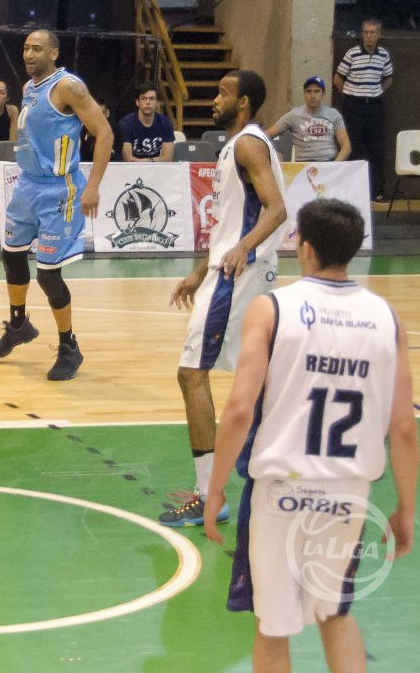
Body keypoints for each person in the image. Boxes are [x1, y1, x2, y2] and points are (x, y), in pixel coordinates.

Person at [204, 198, 419, 673]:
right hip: (348, 492)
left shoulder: (272, 308)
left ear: (305, 247)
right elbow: (403, 426)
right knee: (335, 613)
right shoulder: (387, 318)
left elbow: (239, 410)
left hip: (280, 491)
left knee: (273, 626)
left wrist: (215, 487)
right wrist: (406, 506)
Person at [160, 70, 286, 527]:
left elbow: (277, 208)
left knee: (192, 373)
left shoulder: (249, 143)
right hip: (230, 271)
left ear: (244, 102)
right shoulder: (238, 145)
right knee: (257, 377)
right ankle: (275, 471)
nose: (215, 99)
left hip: (238, 275)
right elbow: (229, 225)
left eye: (223, 92)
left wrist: (242, 249)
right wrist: (200, 272)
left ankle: (210, 495)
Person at [0, 29, 113, 381]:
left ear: (53, 53)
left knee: (48, 274)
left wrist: (93, 186)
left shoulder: (68, 87)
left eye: (37, 49)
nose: (28, 54)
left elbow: (104, 133)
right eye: (26, 48)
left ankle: (69, 346)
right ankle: (18, 325)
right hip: (28, 183)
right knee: (11, 255)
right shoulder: (29, 87)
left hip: (60, 188)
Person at [333, 19, 393, 201]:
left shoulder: (383, 55)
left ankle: (376, 191)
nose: (368, 36)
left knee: (376, 149)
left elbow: (388, 78)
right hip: (353, 106)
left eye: (372, 32)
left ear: (379, 35)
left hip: (374, 106)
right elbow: (338, 78)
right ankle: (351, 190)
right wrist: (349, 96)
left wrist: (377, 92)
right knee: (353, 147)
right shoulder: (352, 53)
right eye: (365, 32)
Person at [264, 76, 351, 163]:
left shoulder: (334, 114)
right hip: (303, 165)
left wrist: (335, 165)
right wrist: (276, 153)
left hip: (329, 162)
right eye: (309, 91)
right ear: (304, 94)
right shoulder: (293, 115)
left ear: (323, 94)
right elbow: (265, 135)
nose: (312, 96)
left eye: (317, 91)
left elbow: (346, 146)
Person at [119, 84, 175, 162]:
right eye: (143, 98)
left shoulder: (165, 123)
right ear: (137, 102)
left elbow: (168, 159)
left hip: (156, 167)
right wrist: (148, 162)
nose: (148, 102)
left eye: (152, 99)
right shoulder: (127, 123)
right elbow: (128, 159)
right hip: (133, 168)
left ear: (157, 103)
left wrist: (149, 161)